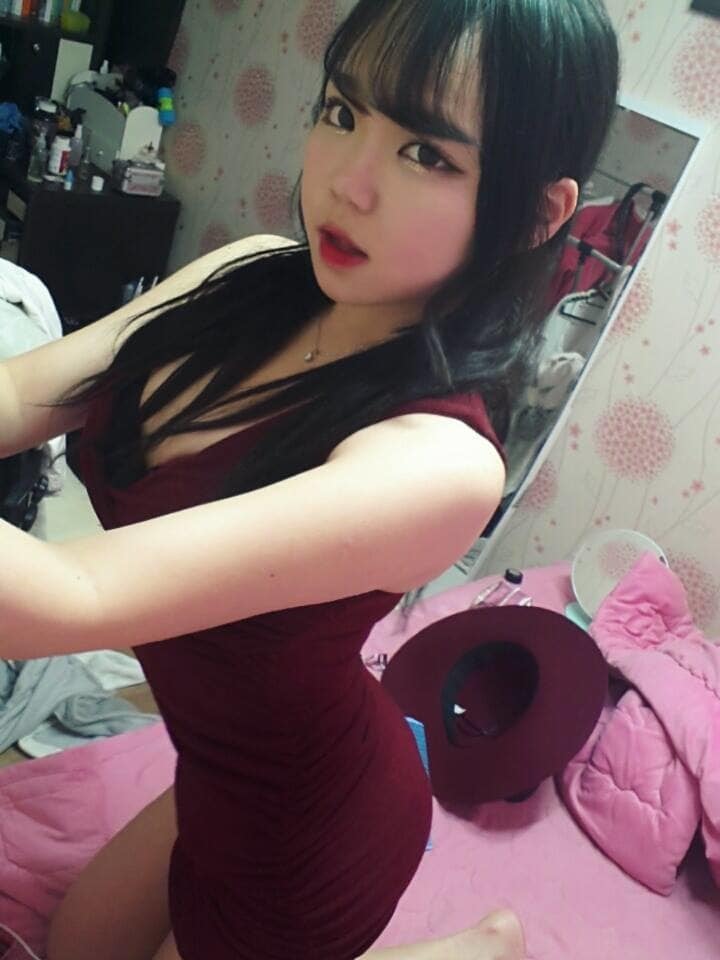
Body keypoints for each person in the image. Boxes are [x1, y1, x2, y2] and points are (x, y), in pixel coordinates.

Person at [0, 1, 619, 957]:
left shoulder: (439, 462)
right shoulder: (250, 274)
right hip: (221, 758)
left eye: (426, 154)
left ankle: (475, 946)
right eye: (341, 112)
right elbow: (21, 391)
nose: (345, 184)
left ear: (537, 214)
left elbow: (69, 596)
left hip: (310, 839)